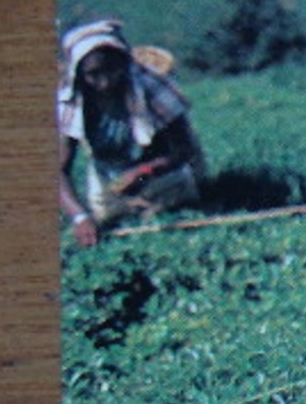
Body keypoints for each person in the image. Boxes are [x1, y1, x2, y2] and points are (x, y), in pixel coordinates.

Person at [57, 20, 203, 247]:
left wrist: (145, 172)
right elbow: (58, 170)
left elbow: (185, 149)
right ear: (79, 74)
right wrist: (80, 217)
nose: (105, 83)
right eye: (94, 74)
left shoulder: (150, 85)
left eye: (112, 70)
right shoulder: (71, 101)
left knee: (174, 223)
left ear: (124, 61)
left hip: (161, 174)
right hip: (109, 178)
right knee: (106, 226)